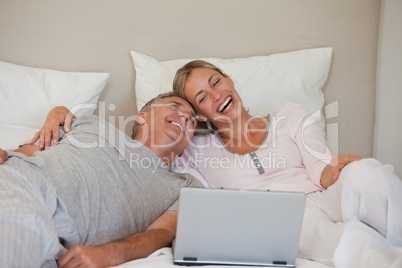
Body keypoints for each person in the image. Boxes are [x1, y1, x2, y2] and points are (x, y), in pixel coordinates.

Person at [171, 60, 402, 265]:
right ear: (198, 115)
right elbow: (161, 160)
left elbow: (319, 169)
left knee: (366, 172)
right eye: (202, 97)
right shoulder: (195, 151)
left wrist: (338, 166)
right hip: (279, 219)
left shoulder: (290, 116)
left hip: (323, 194)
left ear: (229, 81)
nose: (216, 95)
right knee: (351, 240)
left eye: (216, 82)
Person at [0, 92, 203, 268]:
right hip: (25, 189)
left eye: (192, 120)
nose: (185, 116)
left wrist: (112, 253)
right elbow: (26, 153)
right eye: (175, 107)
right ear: (141, 117)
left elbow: (163, 232)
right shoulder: (91, 124)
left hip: (59, 252)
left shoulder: (185, 186)